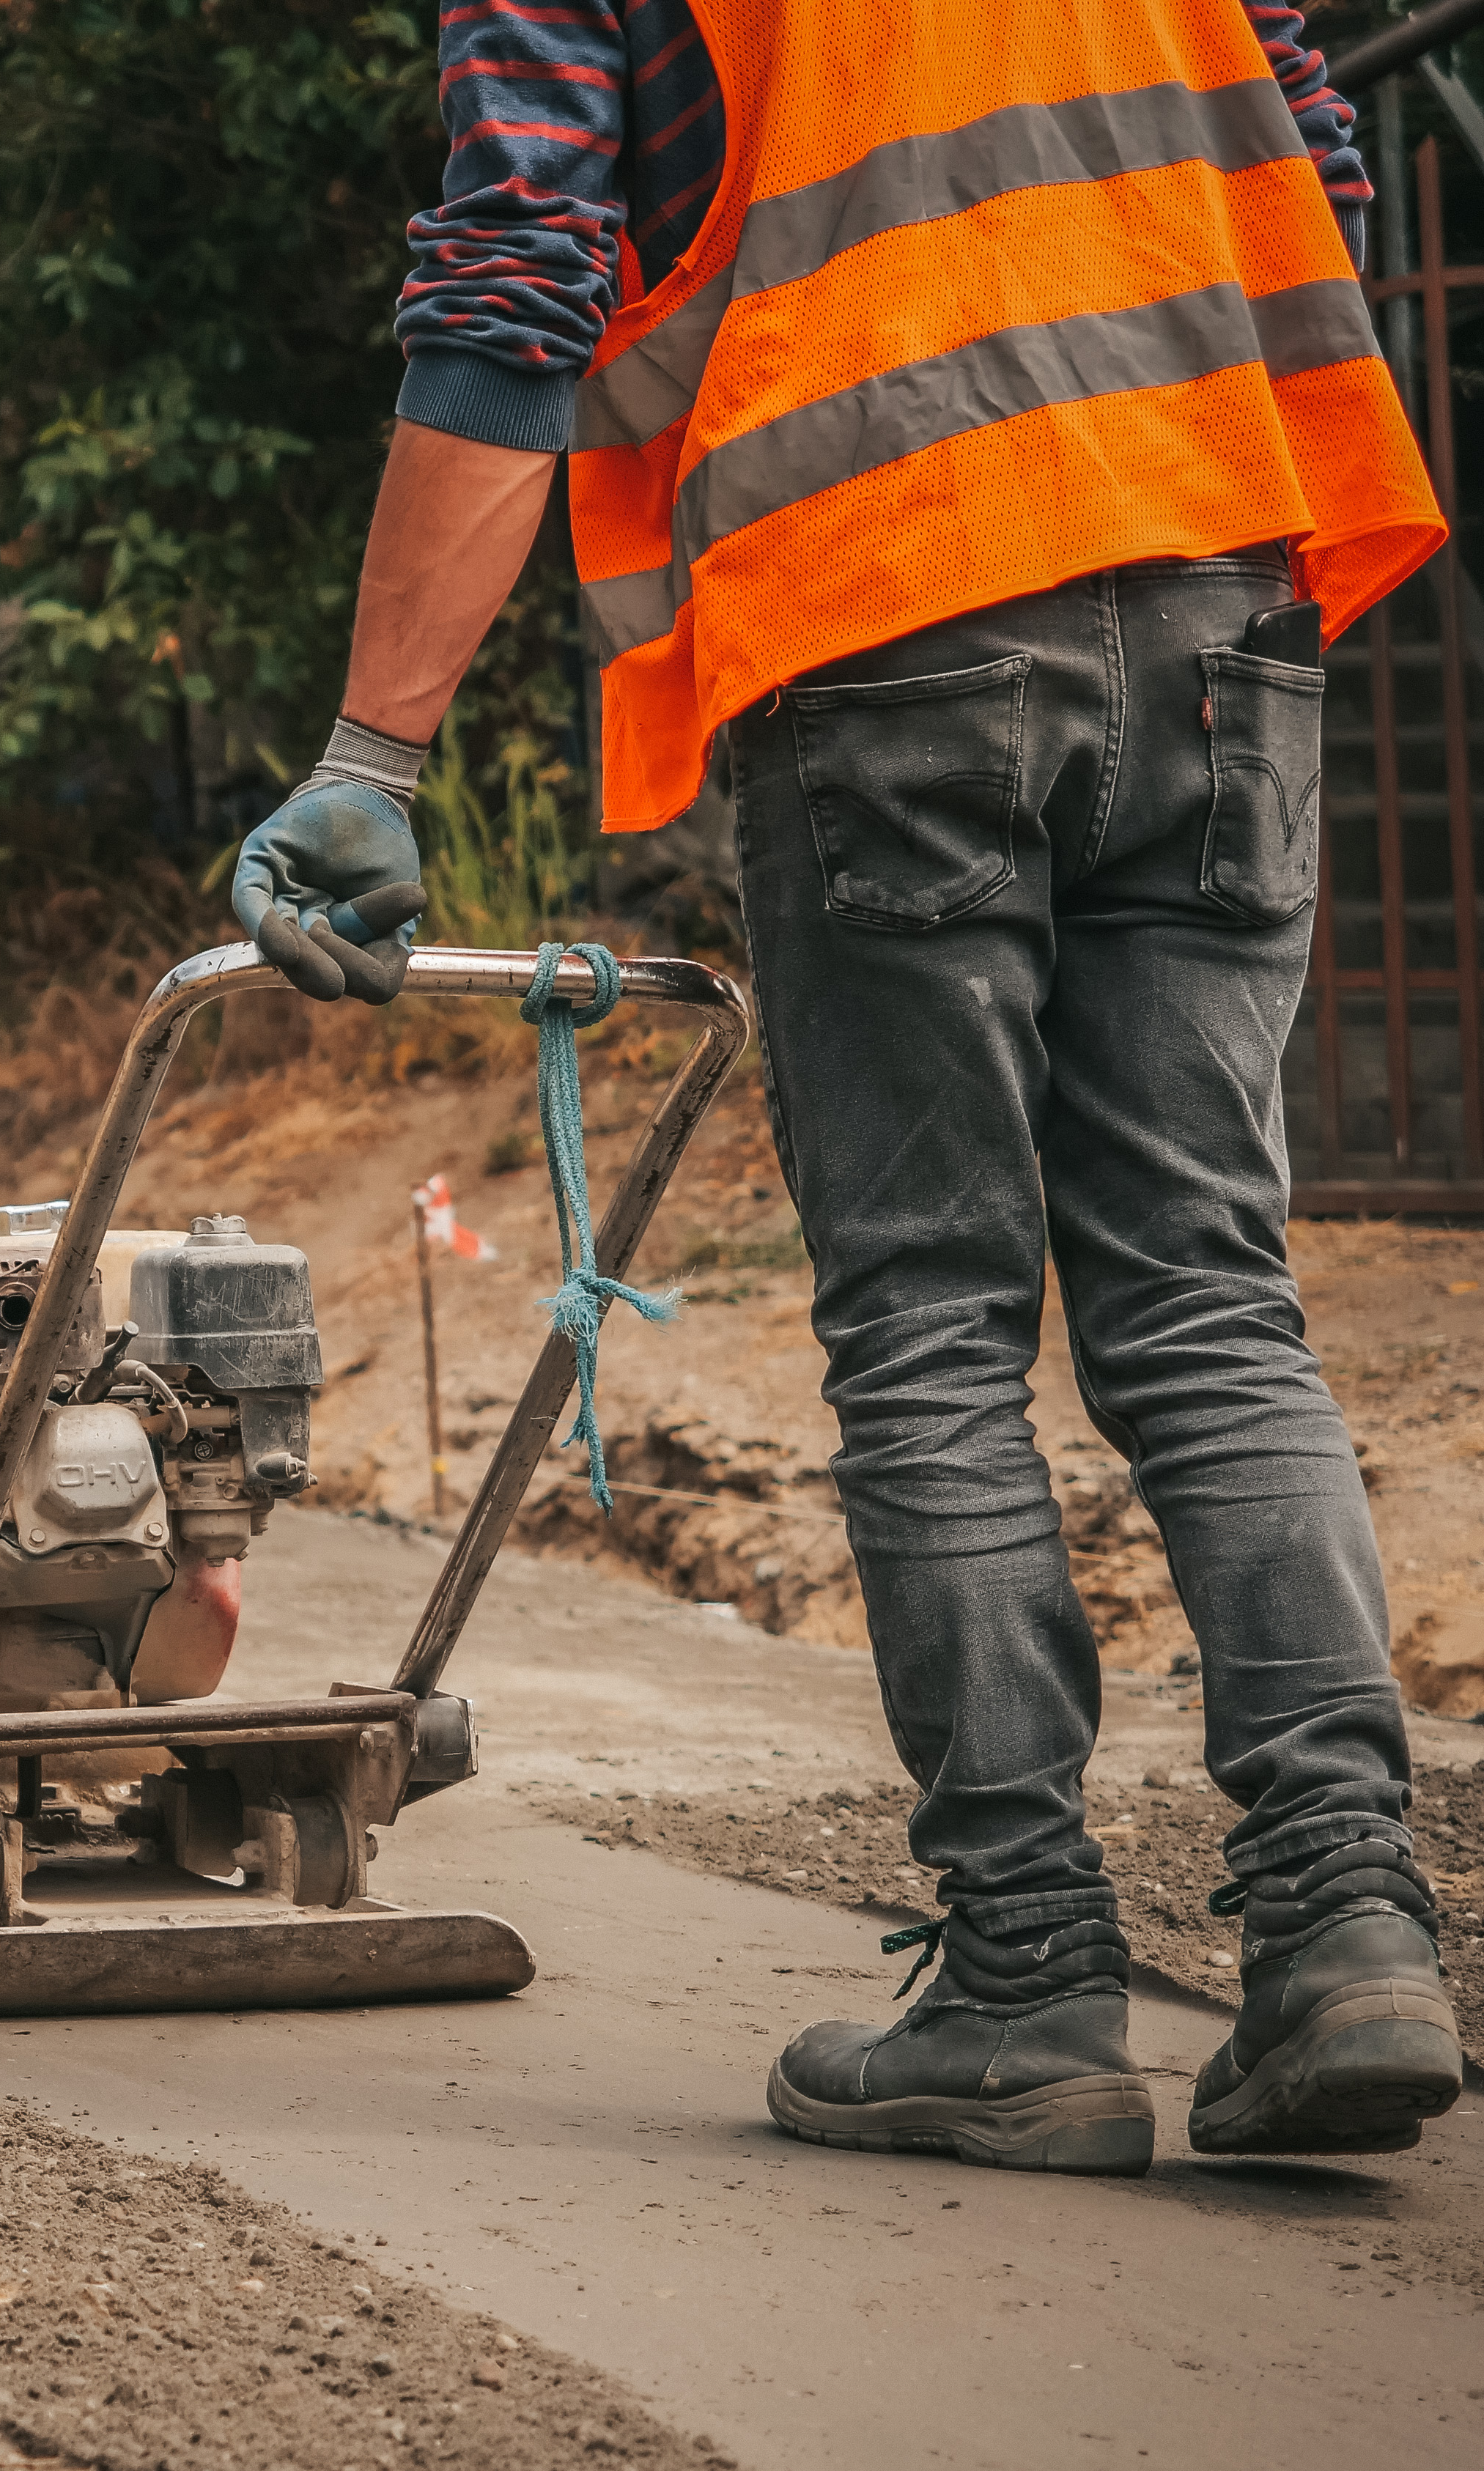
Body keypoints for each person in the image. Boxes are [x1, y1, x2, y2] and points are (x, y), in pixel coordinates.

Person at [235, 0, 1463, 2175]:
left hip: (896, 602)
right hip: (1220, 572)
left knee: (931, 1324)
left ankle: (1026, 1986)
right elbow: (1315, 161)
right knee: (1208, 1293)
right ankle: (1349, 1929)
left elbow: (515, 274)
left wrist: (373, 755)